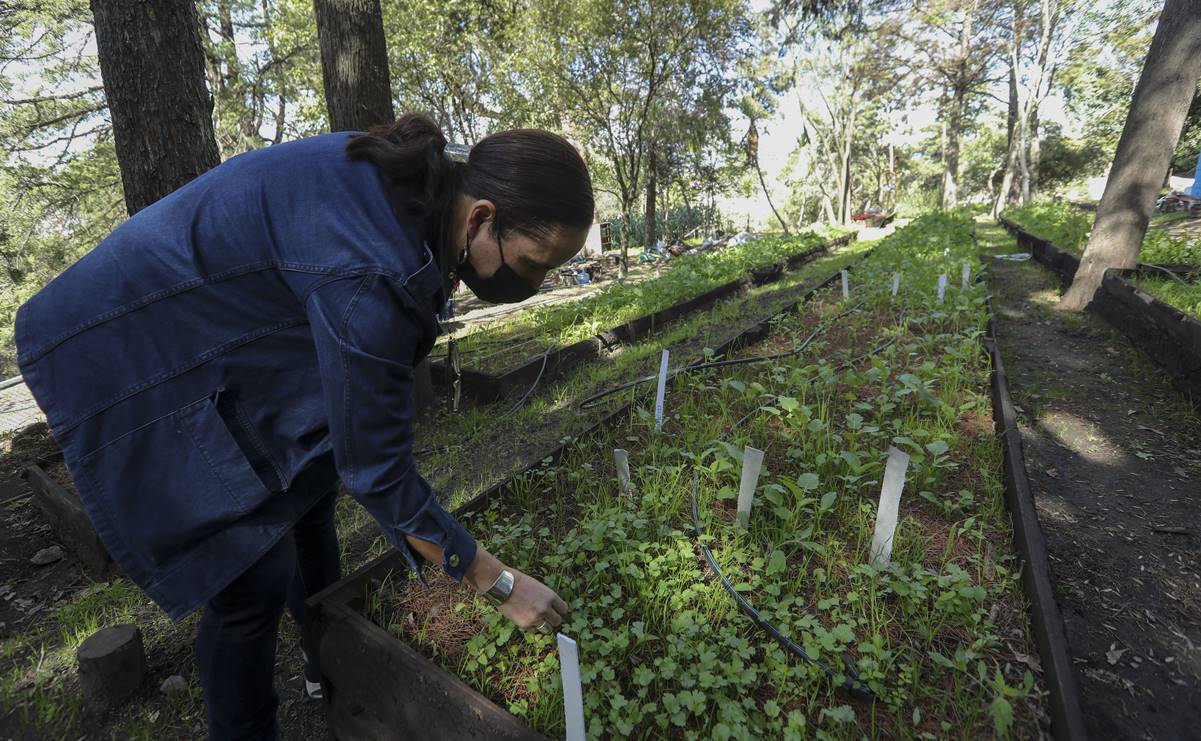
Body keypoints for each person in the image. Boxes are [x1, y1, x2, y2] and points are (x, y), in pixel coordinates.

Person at [14, 112, 594, 740]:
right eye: (534, 263)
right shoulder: (372, 269)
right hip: (127, 344)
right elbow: (375, 467)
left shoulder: (413, 196)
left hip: (217, 328)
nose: (532, 285)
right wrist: (496, 579)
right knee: (246, 575)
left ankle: (327, 657)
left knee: (310, 485)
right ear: (481, 217)